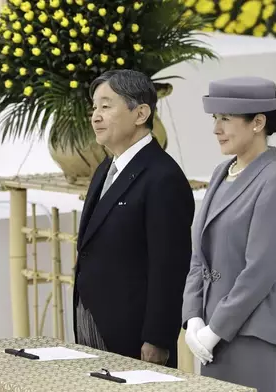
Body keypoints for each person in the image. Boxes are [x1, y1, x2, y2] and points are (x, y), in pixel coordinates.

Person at [181, 76, 276, 391]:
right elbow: (199, 255)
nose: (216, 129)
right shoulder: (222, 173)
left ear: (258, 122)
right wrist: (193, 317)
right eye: (215, 118)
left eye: (226, 119)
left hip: (255, 339)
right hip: (213, 340)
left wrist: (215, 328)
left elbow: (260, 270)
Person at [73, 69, 195, 368]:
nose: (95, 116)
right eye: (94, 107)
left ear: (140, 113)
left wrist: (157, 337)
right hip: (91, 321)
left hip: (134, 336)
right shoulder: (105, 168)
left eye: (106, 106)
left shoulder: (163, 177)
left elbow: (170, 266)